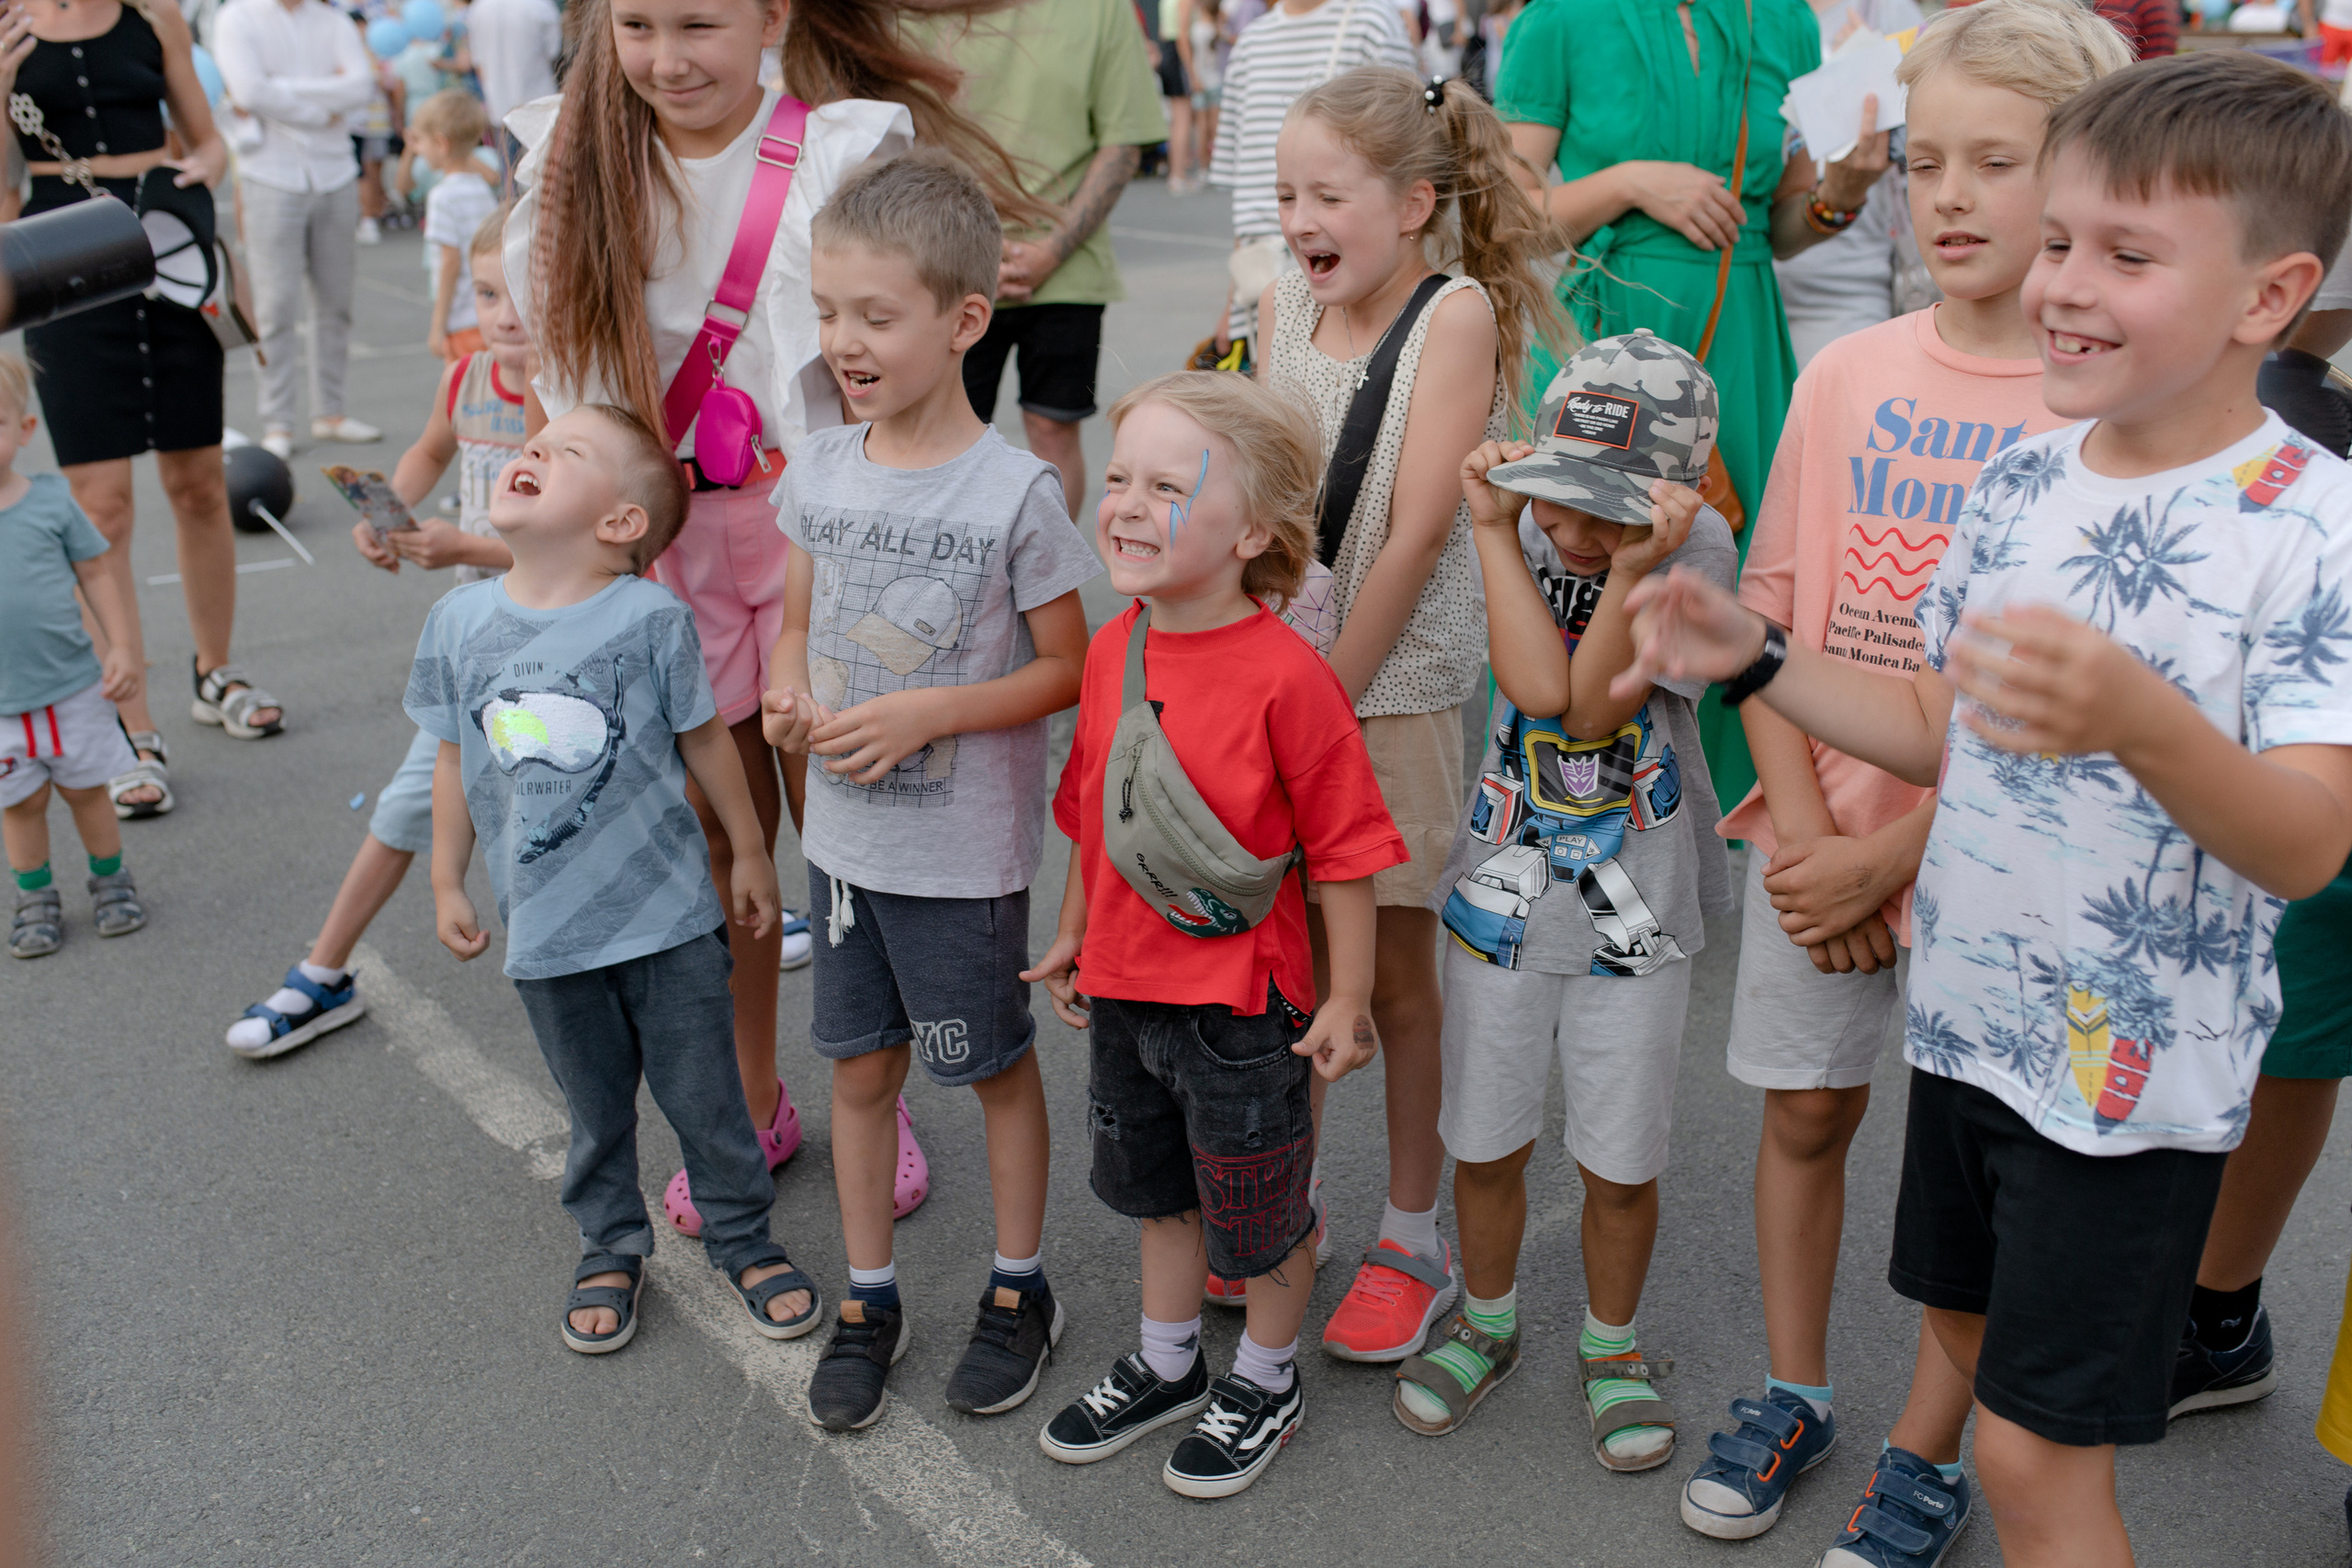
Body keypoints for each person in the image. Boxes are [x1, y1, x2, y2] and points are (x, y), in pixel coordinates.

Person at [1612, 51, 2352, 1565]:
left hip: (2127, 1082)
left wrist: (2140, 720)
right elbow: (1937, 723)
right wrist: (1758, 654)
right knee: (1957, 1310)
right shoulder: (2022, 482)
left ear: (2268, 299)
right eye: (2065, 238)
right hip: (1968, 1026)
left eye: (2127, 256)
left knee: (2029, 1458)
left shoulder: (2312, 525)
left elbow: (2306, 837)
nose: (2068, 284)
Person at [1674, 0, 2130, 1551]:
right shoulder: (1846, 372)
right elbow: (1771, 623)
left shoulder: (2103, 412)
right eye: (1925, 159)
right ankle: (1794, 1382)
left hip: (1996, 877)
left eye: (1995, 162)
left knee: (1981, 1182)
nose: (1946, 196)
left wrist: (1904, 858)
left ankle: (1928, 1447)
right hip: (1818, 843)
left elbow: (2072, 704)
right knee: (1803, 1116)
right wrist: (1810, 845)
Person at [507, 0, 1042, 1236]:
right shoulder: (569, 164)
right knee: (714, 835)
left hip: (830, 540)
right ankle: (750, 1100)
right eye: (636, 23)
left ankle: (872, 1087)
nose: (666, 56)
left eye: (700, 21)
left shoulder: (846, 153)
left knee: (843, 832)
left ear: (773, 17)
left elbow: (905, 354)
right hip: (660, 544)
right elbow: (564, 376)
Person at [759, 151, 1100, 1431]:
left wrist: (931, 711)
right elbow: (790, 631)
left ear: (964, 322)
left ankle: (1020, 1286)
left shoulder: (1017, 489)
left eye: (875, 315)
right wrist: (792, 692)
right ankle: (869, 1294)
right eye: (831, 310)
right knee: (858, 1071)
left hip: (963, 858)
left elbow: (1067, 667)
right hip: (842, 847)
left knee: (990, 1069)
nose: (844, 340)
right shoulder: (821, 468)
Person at [1029, 371, 1407, 1499]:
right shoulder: (1113, 650)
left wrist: (1345, 999)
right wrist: (1072, 935)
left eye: (1166, 486)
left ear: (1251, 532)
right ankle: (1166, 1362)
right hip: (1127, 989)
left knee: (1265, 1213)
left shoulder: (1289, 678)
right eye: (1121, 479)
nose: (1128, 504)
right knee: (1160, 1194)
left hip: (1245, 1007)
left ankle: (1266, 1375)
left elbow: (1345, 851)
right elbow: (1099, 811)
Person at [1250, 68, 1565, 1351]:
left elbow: (1422, 525)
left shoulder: (1458, 314)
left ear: (1416, 203)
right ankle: (1296, 1205)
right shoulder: (1279, 301)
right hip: (1288, 681)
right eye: (1285, 194)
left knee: (1394, 973)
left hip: (1399, 690)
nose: (1299, 218)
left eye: (1327, 194)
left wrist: (1312, 698)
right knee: (1305, 968)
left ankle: (1413, 1233)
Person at [412, 402, 820, 1354]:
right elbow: (447, 758)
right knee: (593, 1112)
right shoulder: (458, 620)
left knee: (707, 1099)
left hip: (669, 920)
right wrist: (444, 878)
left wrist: (753, 850)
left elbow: (706, 736)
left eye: (567, 453)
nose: (533, 452)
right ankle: (609, 1243)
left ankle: (742, 1237)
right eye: (533, 446)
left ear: (620, 524)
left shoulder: (647, 615)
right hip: (548, 932)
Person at [1393, 338, 1733, 1471]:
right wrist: (1499, 525)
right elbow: (1530, 687)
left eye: (1614, 512)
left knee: (1619, 1158)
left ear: (1679, 494)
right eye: (1566, 500)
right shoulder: (1518, 519)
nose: (1579, 534)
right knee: (1484, 1139)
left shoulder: (1701, 551)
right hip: (1499, 905)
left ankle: (1612, 1344)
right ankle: (1486, 1320)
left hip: (1637, 906)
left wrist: (1625, 569)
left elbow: (1577, 710)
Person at [1493, 0, 1892, 811]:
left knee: (1738, 567)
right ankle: (1565, 799)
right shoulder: (1560, 20)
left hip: (1740, 329)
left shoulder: (1784, 21)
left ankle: (1696, 814)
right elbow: (1504, 221)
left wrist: (1839, 196)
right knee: (1585, 556)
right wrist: (1627, 184)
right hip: (1606, 334)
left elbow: (1777, 226)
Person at [224, 212, 526, 1057]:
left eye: (525, 293)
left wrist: (466, 544)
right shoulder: (465, 377)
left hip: (564, 649)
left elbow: (591, 542)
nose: (506, 314)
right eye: (490, 292)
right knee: (406, 807)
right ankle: (323, 972)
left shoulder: (571, 388)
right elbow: (431, 451)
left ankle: (740, 911)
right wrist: (385, 512)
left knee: (633, 793)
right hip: (479, 650)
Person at [1, 0, 277, 820]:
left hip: (167, 242)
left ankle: (214, 670)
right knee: (101, 503)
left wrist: (210, 165)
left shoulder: (156, 19)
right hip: (61, 259)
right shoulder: (7, 29)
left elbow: (210, 138)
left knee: (197, 481)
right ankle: (128, 723)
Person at [913, 0, 1166, 524]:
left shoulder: (1103, 10)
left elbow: (1123, 141)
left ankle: (1046, 583)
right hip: (947, 264)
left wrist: (1054, 249)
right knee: (942, 432)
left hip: (1067, 265)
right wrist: (964, 249)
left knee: (1053, 427)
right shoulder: (917, 9)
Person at [0, 353, 148, 959]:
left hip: (71, 686)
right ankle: (34, 895)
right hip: (4, 705)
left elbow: (97, 572)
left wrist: (122, 646)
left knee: (87, 790)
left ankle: (110, 878)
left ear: (24, 428)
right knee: (21, 801)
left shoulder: (52, 502)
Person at [213, 0, 387, 459]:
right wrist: (318, 109)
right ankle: (278, 421)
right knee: (275, 307)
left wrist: (284, 91)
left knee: (336, 301)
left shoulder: (332, 21)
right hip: (270, 174)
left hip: (334, 172)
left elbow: (360, 86)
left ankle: (330, 412)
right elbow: (249, 91)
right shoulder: (238, 17)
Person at [1207, 0, 1414, 364]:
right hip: (1259, 281)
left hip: (1357, 289)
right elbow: (1247, 186)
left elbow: (1406, 152)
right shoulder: (1250, 42)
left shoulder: (1371, 22)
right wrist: (1231, 305)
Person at [413, 89, 500, 359]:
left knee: (460, 393)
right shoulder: (481, 189)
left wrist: (438, 326)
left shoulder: (441, 196)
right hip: (487, 315)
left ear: (441, 144)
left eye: (421, 141)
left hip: (461, 320)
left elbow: (450, 262)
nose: (418, 149)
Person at [466, 0, 559, 135]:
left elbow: (478, 63)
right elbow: (553, 52)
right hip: (539, 106)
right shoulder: (541, 5)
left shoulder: (478, 8)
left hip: (499, 108)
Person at [1177, 0, 1227, 186]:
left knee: (1205, 127)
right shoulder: (1213, 28)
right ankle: (1210, 167)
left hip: (1204, 79)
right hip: (1211, 79)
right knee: (1211, 127)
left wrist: (1193, 76)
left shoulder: (1199, 27)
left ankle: (1206, 169)